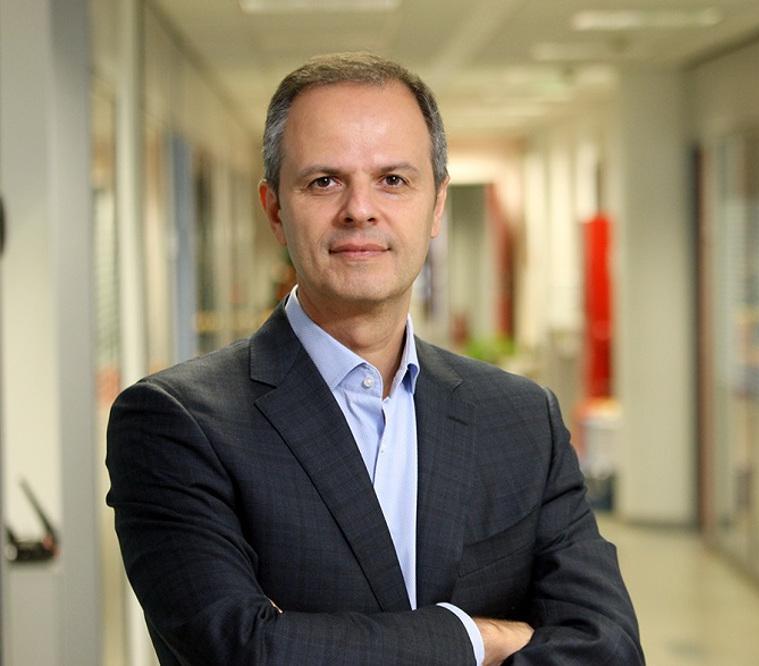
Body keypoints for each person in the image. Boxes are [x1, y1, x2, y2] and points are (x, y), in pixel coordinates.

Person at [106, 52, 643, 666]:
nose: (359, 209)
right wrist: (481, 639)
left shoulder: (521, 418)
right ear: (275, 209)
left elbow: (610, 648)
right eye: (324, 181)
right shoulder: (175, 423)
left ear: (436, 205)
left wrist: (308, 638)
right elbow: (244, 652)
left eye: (393, 180)